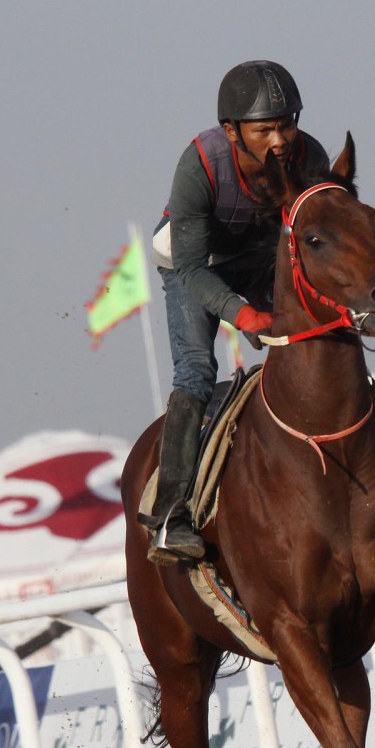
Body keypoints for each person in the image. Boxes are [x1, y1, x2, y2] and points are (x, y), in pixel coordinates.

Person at [140, 60, 330, 564]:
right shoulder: (200, 164)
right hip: (190, 267)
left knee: (319, 340)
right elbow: (192, 268)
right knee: (198, 372)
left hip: (260, 257)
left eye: (287, 124)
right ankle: (172, 514)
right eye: (264, 129)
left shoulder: (311, 157)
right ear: (232, 131)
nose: (280, 139)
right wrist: (243, 316)